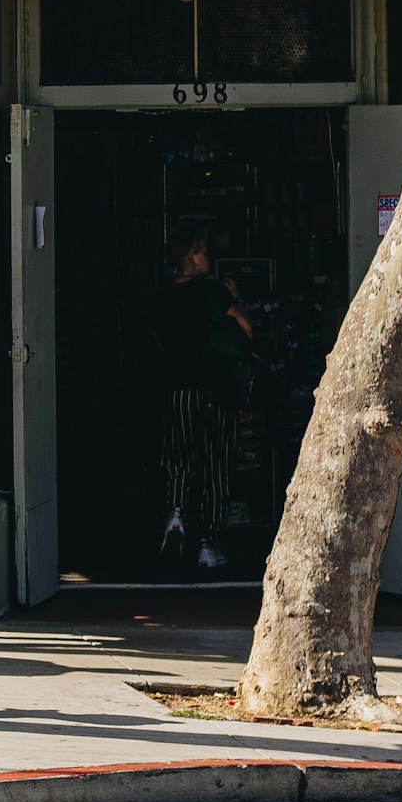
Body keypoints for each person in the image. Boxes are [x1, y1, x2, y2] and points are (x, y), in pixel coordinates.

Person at [157, 235, 253, 573]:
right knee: (216, 462)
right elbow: (245, 327)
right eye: (203, 252)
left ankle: (176, 517)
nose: (208, 258)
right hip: (215, 388)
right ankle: (208, 544)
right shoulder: (212, 291)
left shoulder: (162, 295)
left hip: (177, 388)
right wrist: (237, 298)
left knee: (179, 456)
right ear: (192, 258)